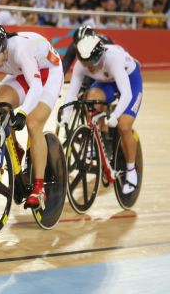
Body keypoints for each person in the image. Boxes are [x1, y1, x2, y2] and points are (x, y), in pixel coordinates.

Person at [0, 21, 63, 209]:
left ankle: (39, 190)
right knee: (1, 108)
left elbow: (36, 87)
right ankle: (15, 148)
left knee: (33, 123)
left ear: (3, 44)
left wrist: (22, 113)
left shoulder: (20, 50)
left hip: (49, 73)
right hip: (23, 72)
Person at [61, 35, 142, 195]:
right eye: (85, 64)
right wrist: (65, 116)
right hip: (107, 82)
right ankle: (101, 136)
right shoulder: (82, 64)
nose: (89, 68)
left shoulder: (113, 59)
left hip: (130, 81)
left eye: (92, 64)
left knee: (124, 126)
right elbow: (71, 94)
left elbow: (126, 93)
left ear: (99, 56)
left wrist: (116, 115)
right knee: (89, 100)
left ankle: (131, 170)